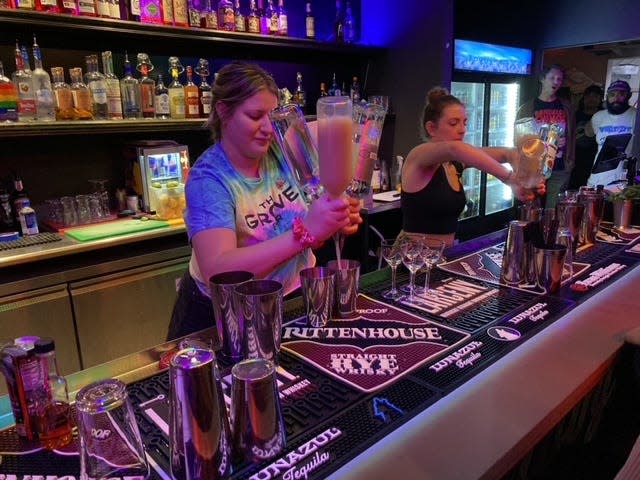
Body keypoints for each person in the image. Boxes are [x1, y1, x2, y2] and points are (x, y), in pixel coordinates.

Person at [167, 61, 361, 340]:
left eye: (272, 115)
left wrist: (334, 216)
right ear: (223, 111)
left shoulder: (284, 149)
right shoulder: (208, 178)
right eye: (256, 116)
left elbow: (318, 201)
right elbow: (218, 269)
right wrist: (306, 233)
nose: (269, 128)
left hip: (292, 299)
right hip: (225, 317)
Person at [399, 87, 543, 248]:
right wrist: (509, 177)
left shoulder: (454, 164)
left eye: (464, 122)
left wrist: (525, 180)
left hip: (445, 255)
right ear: (431, 128)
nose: (462, 129)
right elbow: (456, 149)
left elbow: (509, 153)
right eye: (453, 123)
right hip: (413, 258)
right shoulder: (418, 156)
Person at [516, 64, 576, 209]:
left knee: (554, 209)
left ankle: (549, 232)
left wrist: (567, 147)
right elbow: (519, 139)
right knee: (532, 207)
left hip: (560, 165)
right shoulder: (527, 107)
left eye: (559, 79)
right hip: (534, 167)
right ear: (542, 79)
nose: (556, 82)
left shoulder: (567, 107)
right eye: (552, 78)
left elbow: (572, 135)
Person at [586, 80, 637, 187]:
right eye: (612, 94)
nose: (616, 98)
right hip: (597, 178)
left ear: (629, 95)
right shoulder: (598, 117)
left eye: (621, 94)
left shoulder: (636, 116)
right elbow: (588, 133)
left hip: (624, 180)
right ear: (607, 96)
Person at [569, 84, 604, 189]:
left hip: (595, 161)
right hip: (576, 160)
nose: (591, 99)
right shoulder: (574, 115)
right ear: (583, 98)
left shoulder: (604, 116)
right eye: (589, 96)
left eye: (595, 96)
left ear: (600, 99)